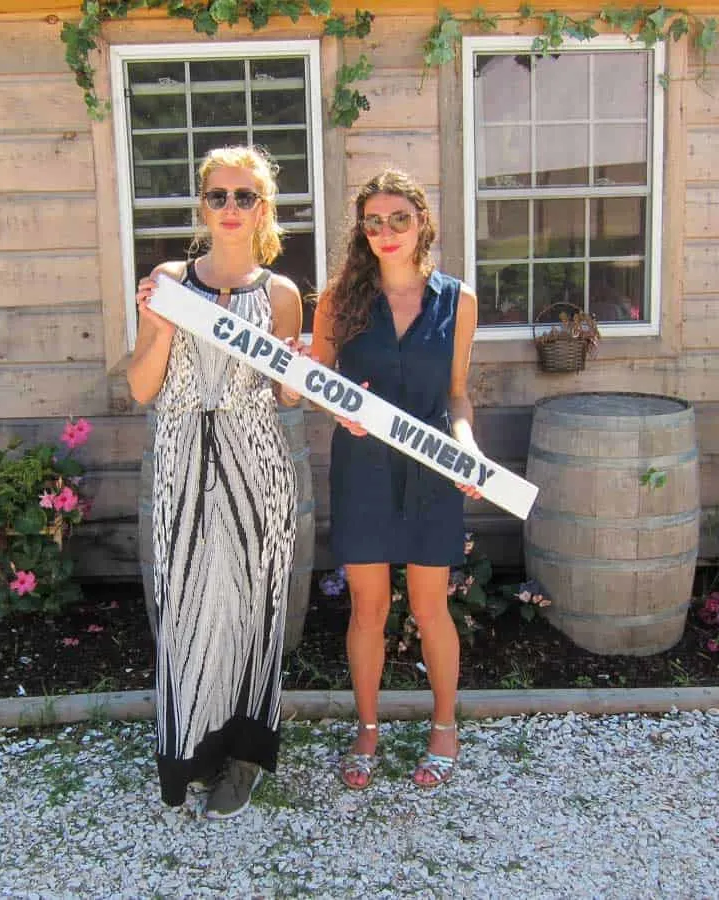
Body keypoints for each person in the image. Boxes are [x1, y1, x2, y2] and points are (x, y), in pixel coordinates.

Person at [128, 146, 303, 818]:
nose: (231, 208)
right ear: (201, 205)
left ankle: (242, 757)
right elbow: (144, 386)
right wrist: (157, 324)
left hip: (255, 466)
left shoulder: (281, 295)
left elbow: (287, 399)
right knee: (187, 609)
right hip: (180, 461)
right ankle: (189, 751)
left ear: (264, 209)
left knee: (252, 608)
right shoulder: (169, 279)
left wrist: (299, 371)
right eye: (218, 196)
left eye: (245, 196)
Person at [301, 168, 484, 790]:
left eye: (398, 219)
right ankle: (368, 729)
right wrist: (339, 408)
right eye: (373, 222)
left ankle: (444, 728)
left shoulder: (457, 300)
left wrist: (468, 450)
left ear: (422, 223)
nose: (385, 232)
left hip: (433, 473)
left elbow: (457, 397)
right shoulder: (338, 300)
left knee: (432, 609)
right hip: (364, 468)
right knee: (368, 608)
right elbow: (312, 384)